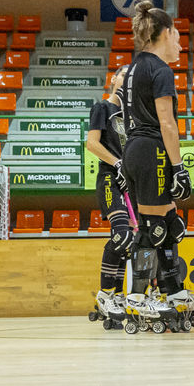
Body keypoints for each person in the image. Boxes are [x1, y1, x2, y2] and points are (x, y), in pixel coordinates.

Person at [118, 1, 194, 331]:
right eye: (178, 35)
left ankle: (173, 291)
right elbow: (167, 124)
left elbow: (124, 118)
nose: (180, 43)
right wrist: (179, 167)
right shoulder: (160, 70)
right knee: (152, 230)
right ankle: (137, 299)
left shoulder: (132, 68)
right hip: (152, 148)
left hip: (134, 149)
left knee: (166, 224)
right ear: (165, 33)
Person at [85, 65, 132, 328]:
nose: (126, 80)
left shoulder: (134, 115)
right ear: (113, 79)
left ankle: (116, 297)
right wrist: (117, 164)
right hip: (110, 178)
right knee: (121, 234)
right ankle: (105, 294)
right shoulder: (102, 108)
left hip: (130, 182)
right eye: (123, 75)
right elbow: (92, 143)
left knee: (129, 241)